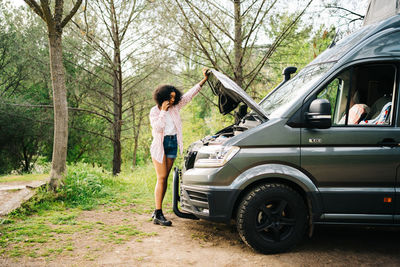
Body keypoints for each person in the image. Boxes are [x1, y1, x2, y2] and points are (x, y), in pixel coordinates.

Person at [149, 68, 209, 226]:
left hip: (172, 144)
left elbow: (189, 96)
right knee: (161, 178)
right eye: (170, 98)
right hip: (160, 147)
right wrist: (162, 111)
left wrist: (204, 80)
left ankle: (157, 210)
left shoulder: (176, 107)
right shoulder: (154, 112)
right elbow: (158, 128)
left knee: (165, 178)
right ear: (162, 98)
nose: (173, 101)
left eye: (175, 98)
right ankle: (158, 213)